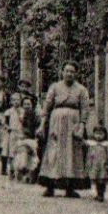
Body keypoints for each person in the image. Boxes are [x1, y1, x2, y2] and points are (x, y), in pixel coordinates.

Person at [38, 62, 92, 197]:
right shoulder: (55, 87)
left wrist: (82, 126)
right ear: (62, 72)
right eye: (67, 71)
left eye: (72, 71)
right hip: (56, 122)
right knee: (53, 152)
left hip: (73, 123)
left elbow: (85, 109)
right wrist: (42, 124)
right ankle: (50, 186)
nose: (69, 74)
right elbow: (47, 106)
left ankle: (70, 188)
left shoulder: (81, 89)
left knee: (72, 154)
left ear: (76, 73)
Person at [13, 92, 41, 181]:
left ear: (32, 105)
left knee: (29, 148)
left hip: (33, 139)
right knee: (21, 148)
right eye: (24, 104)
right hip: (22, 138)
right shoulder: (21, 115)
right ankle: (21, 169)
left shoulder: (36, 116)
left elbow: (37, 129)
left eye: (28, 104)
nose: (26, 106)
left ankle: (30, 172)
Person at [87, 123, 108, 202]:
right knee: (95, 179)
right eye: (96, 134)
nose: (98, 136)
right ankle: (98, 193)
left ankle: (101, 194)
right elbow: (90, 154)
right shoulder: (92, 144)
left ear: (105, 135)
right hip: (95, 164)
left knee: (102, 179)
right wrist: (89, 163)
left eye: (101, 134)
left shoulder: (107, 145)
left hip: (103, 164)